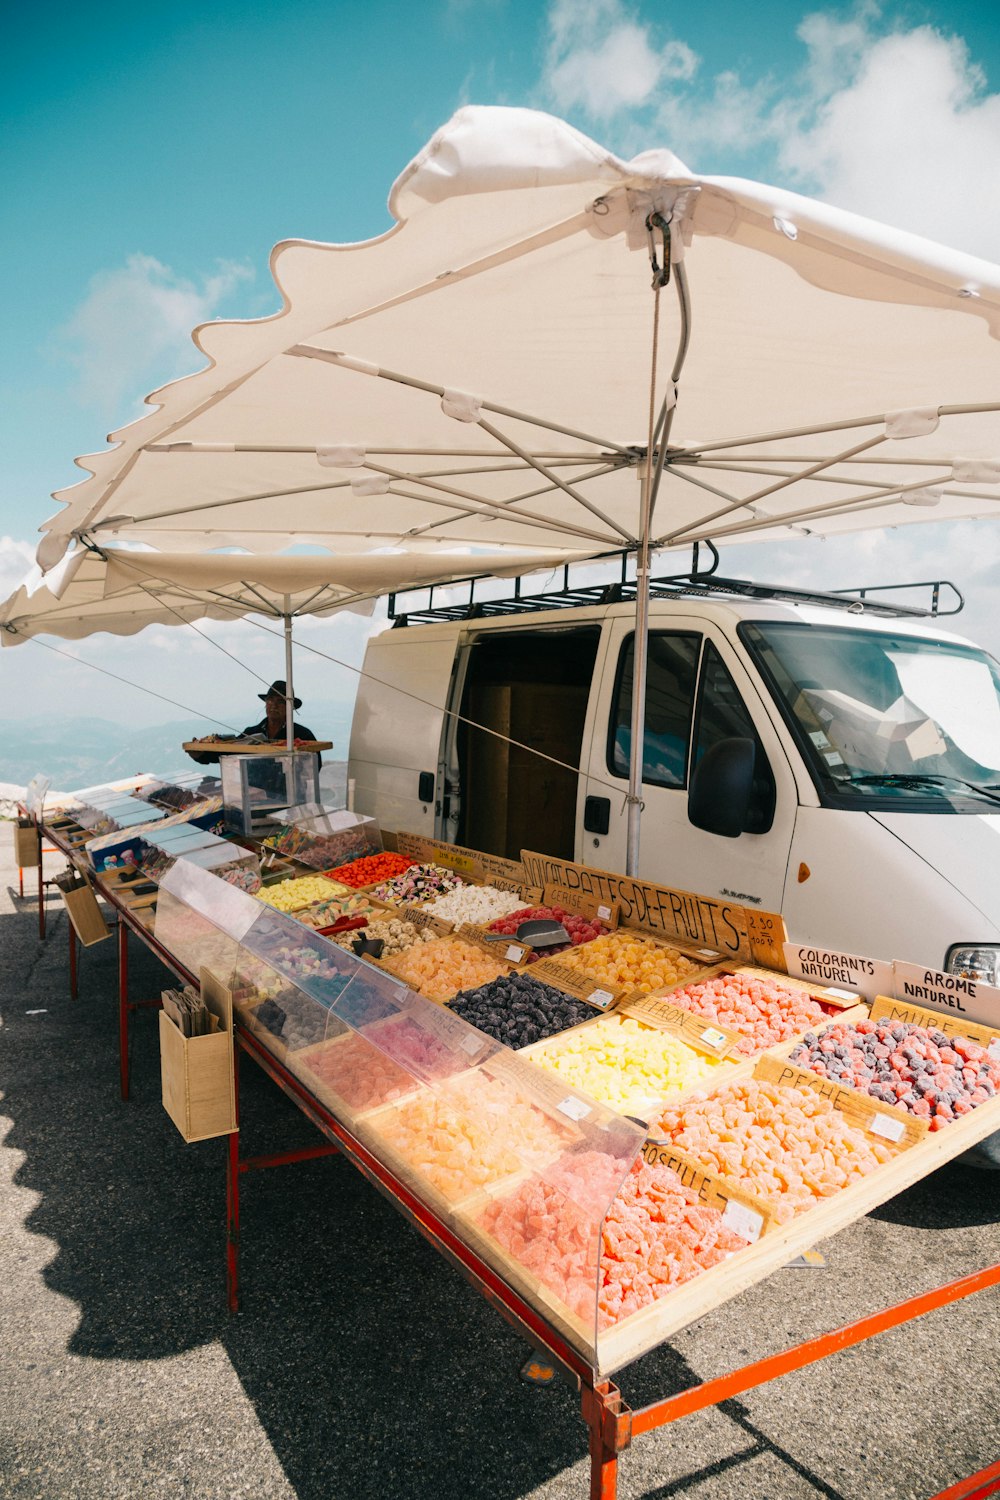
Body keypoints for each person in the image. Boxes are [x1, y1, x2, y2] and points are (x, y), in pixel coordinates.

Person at [187, 681, 323, 765]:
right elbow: (229, 752)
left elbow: (314, 767)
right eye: (270, 700)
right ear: (265, 703)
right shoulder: (252, 732)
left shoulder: (302, 735)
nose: (274, 705)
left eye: (280, 701)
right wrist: (200, 755)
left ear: (290, 707)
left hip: (289, 798)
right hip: (256, 797)